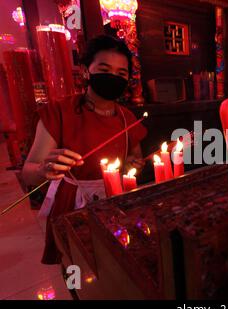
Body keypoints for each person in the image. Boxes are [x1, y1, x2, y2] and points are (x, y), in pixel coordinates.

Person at [22, 35, 148, 264]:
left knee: (113, 264)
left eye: (121, 73)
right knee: (77, 266)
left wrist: (134, 165)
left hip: (114, 203)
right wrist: (43, 169)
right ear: (86, 71)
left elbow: (135, 159)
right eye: (104, 69)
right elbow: (27, 173)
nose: (113, 77)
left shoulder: (126, 117)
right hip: (71, 204)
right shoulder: (59, 112)